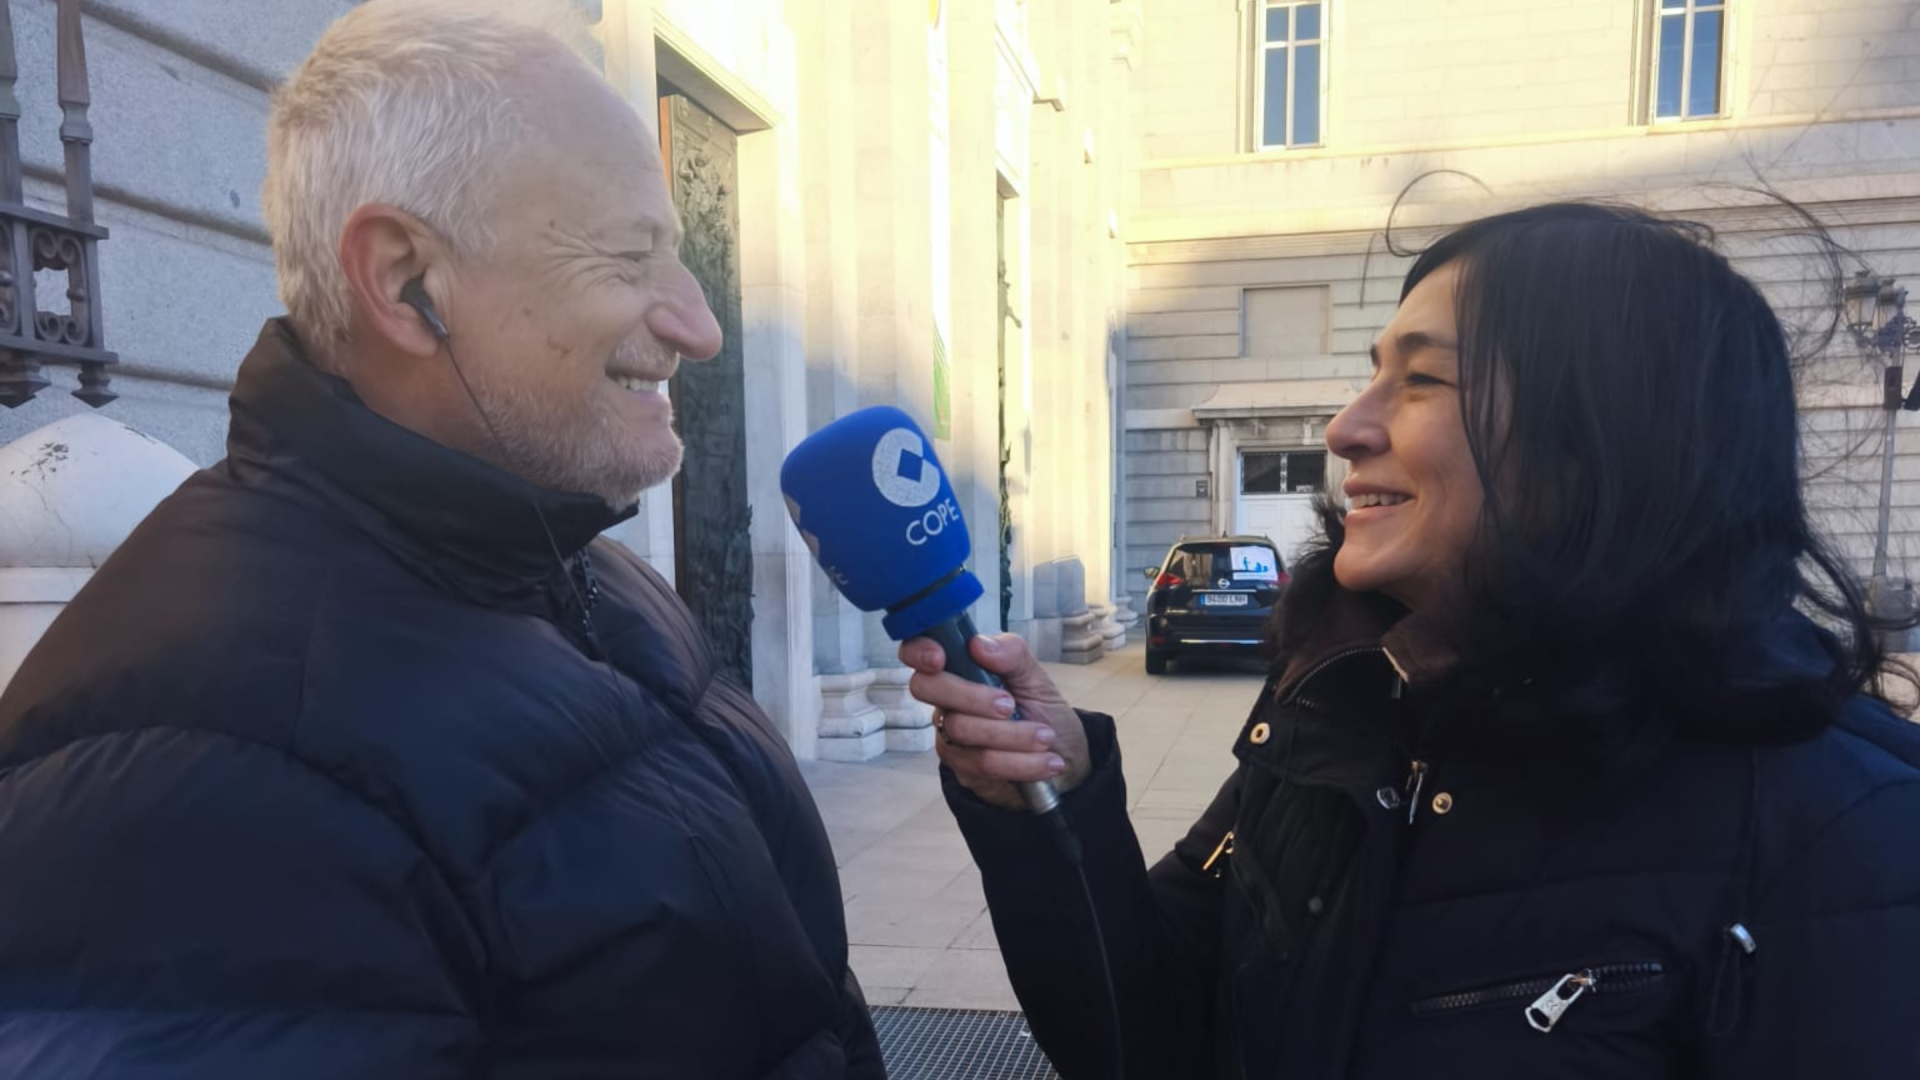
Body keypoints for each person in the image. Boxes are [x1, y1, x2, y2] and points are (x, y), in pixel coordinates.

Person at [0, 3, 882, 1077]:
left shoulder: (581, 565)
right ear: (406, 281)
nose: (698, 326)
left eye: (679, 258)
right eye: (626, 256)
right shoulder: (208, 778)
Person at [903, 203, 1920, 1079]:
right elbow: (1146, 1037)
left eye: (1421, 382)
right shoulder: (1337, 704)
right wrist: (1053, 805)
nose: (1347, 427)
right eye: (1371, 374)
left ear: (1606, 440)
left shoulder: (1841, 832)